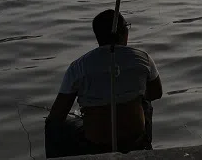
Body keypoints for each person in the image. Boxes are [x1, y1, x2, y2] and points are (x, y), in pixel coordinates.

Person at [45, 10, 162, 157]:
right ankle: (145, 148)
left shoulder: (78, 67)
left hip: (95, 143)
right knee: (146, 103)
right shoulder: (143, 59)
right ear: (123, 33)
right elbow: (156, 93)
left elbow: (57, 115)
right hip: (134, 139)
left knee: (52, 125)